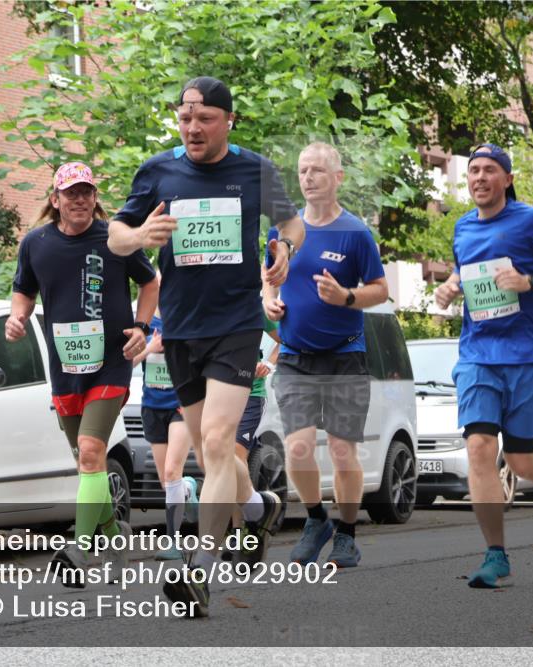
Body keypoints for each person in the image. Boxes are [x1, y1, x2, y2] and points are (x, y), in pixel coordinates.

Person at [107, 76, 304, 617]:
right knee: (207, 450)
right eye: (185, 117)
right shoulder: (159, 170)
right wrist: (140, 237)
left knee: (217, 444)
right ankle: (259, 505)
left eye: (205, 118)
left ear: (227, 121)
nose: (193, 127)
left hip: (238, 324)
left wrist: (284, 246)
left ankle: (200, 570)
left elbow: (292, 222)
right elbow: (115, 234)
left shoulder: (254, 169)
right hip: (181, 332)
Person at [434, 143, 533, 589]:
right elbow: (465, 272)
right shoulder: (462, 227)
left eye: (488, 171)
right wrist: (449, 286)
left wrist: (530, 282)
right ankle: (495, 554)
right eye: (473, 171)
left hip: (527, 356)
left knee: (520, 460)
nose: (479, 177)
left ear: (507, 178)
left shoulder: (531, 221)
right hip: (478, 355)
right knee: (480, 447)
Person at [8, 162, 159, 586]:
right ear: (54, 201)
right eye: (70, 193)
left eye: (86, 192)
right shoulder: (36, 243)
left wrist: (142, 327)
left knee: (92, 452)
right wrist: (17, 318)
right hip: (66, 367)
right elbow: (23, 289)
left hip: (111, 363)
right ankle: (115, 537)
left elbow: (151, 283)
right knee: (87, 464)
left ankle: (78, 547)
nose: (79, 200)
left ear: (95, 199)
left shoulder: (114, 239)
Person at [263, 142, 389, 568]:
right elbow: (268, 280)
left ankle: (348, 535)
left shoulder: (355, 233)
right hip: (295, 355)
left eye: (318, 170)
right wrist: (269, 301)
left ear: (338, 178)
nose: (309, 177)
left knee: (340, 451)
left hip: (344, 353)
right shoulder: (282, 230)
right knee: (297, 449)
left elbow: (380, 289)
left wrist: (346, 295)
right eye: (302, 170)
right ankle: (317, 519)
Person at [131, 308, 199, 561]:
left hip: (180, 407)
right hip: (152, 406)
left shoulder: (186, 317)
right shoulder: (143, 324)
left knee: (172, 471)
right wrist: (150, 349)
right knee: (166, 480)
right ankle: (189, 489)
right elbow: (124, 363)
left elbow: (201, 360)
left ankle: (173, 542)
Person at [227, 314, 282, 568]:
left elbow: (286, 339)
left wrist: (268, 365)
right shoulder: (209, 304)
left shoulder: (255, 309)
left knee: (236, 458)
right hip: (220, 397)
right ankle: (238, 531)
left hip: (251, 396)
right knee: (222, 464)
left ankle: (241, 533)